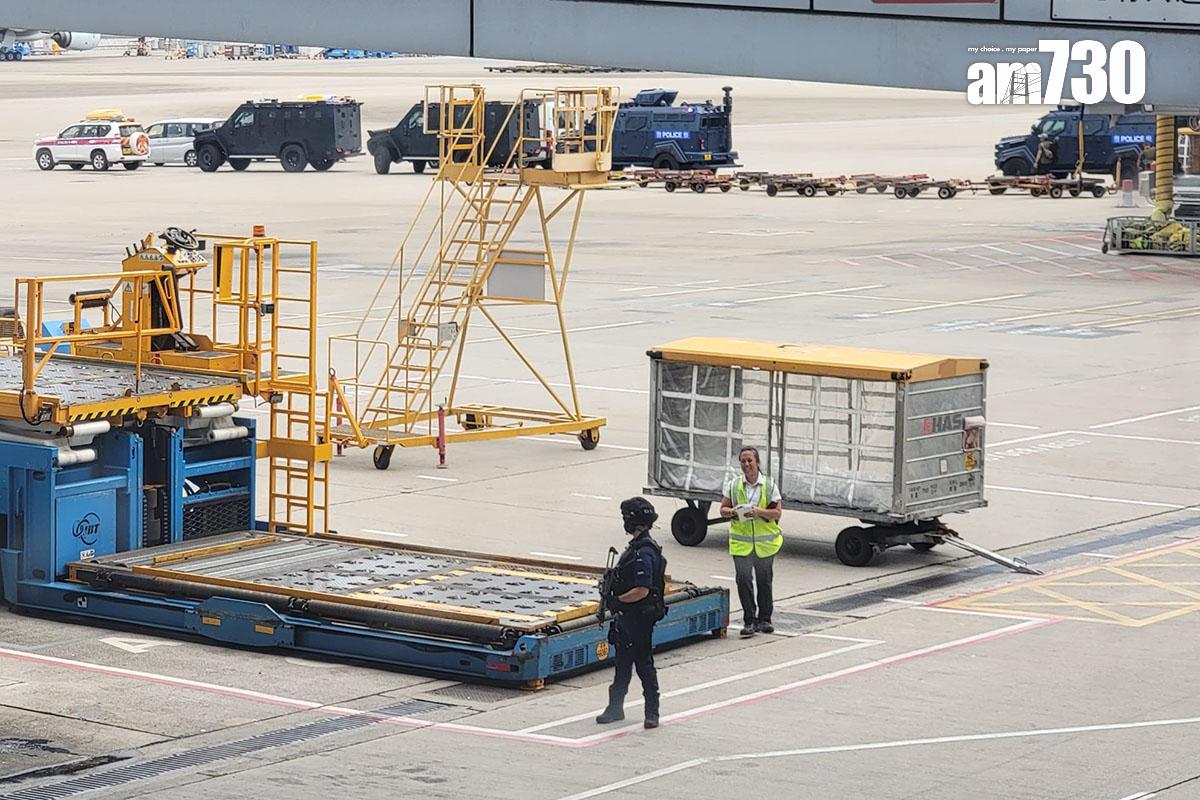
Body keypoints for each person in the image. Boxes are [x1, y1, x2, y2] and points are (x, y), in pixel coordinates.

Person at [596, 497, 667, 730]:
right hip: (626, 618)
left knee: (643, 664)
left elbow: (642, 590)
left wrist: (617, 601)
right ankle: (615, 707)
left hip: (639, 618)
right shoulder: (636, 548)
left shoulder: (643, 553)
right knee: (622, 665)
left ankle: (652, 712)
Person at [720, 446, 783, 638]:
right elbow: (723, 509)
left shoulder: (769, 485)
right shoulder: (734, 485)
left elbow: (777, 513)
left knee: (764, 581)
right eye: (743, 461)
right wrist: (734, 512)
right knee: (744, 579)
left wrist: (758, 512)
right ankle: (749, 619)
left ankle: (765, 619)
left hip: (764, 544)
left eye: (750, 460)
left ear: (757, 462)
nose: (746, 464)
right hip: (742, 544)